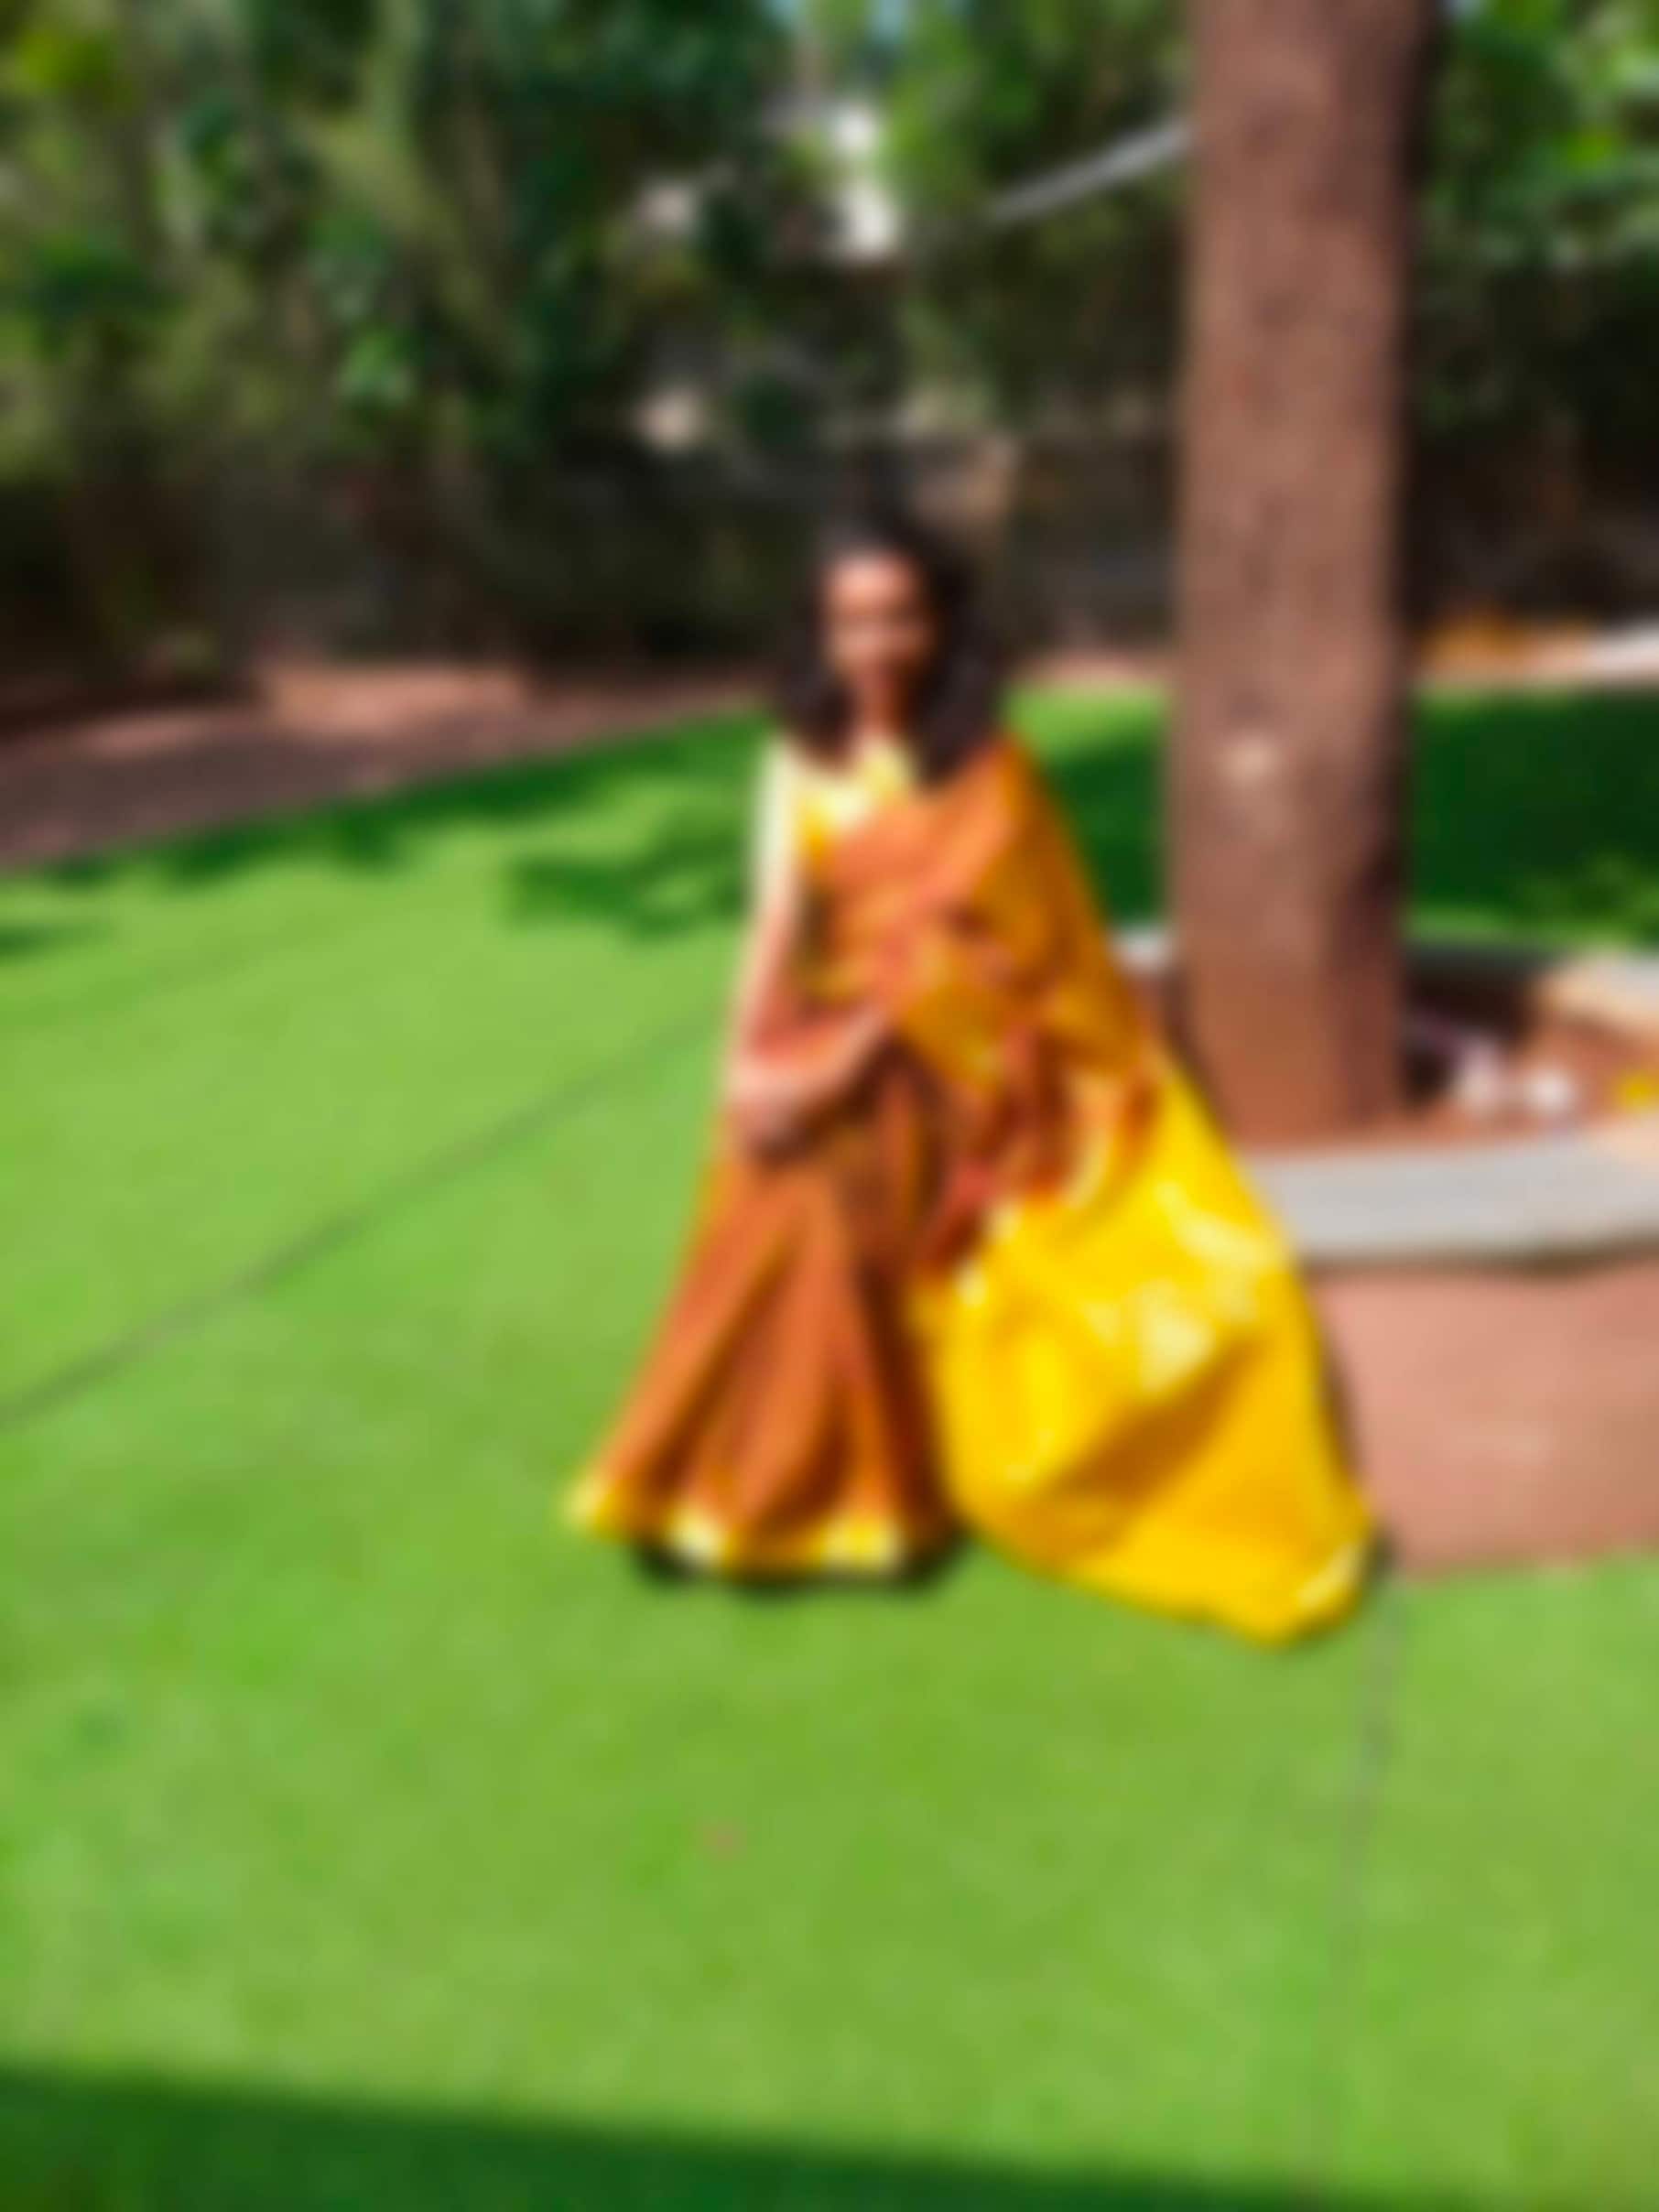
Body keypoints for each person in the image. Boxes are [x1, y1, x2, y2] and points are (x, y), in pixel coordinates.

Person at [567, 514, 1372, 1642]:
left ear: (941, 623)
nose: (877, 645)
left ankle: (867, 1492)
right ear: (819, 633)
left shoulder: (990, 770)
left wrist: (849, 1063)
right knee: (770, 1176)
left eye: (901, 616)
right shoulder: (795, 759)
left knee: (844, 1176)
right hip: (835, 1029)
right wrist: (745, 1066)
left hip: (964, 1061)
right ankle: (741, 1483)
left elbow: (1021, 953)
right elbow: (774, 924)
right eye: (851, 621)